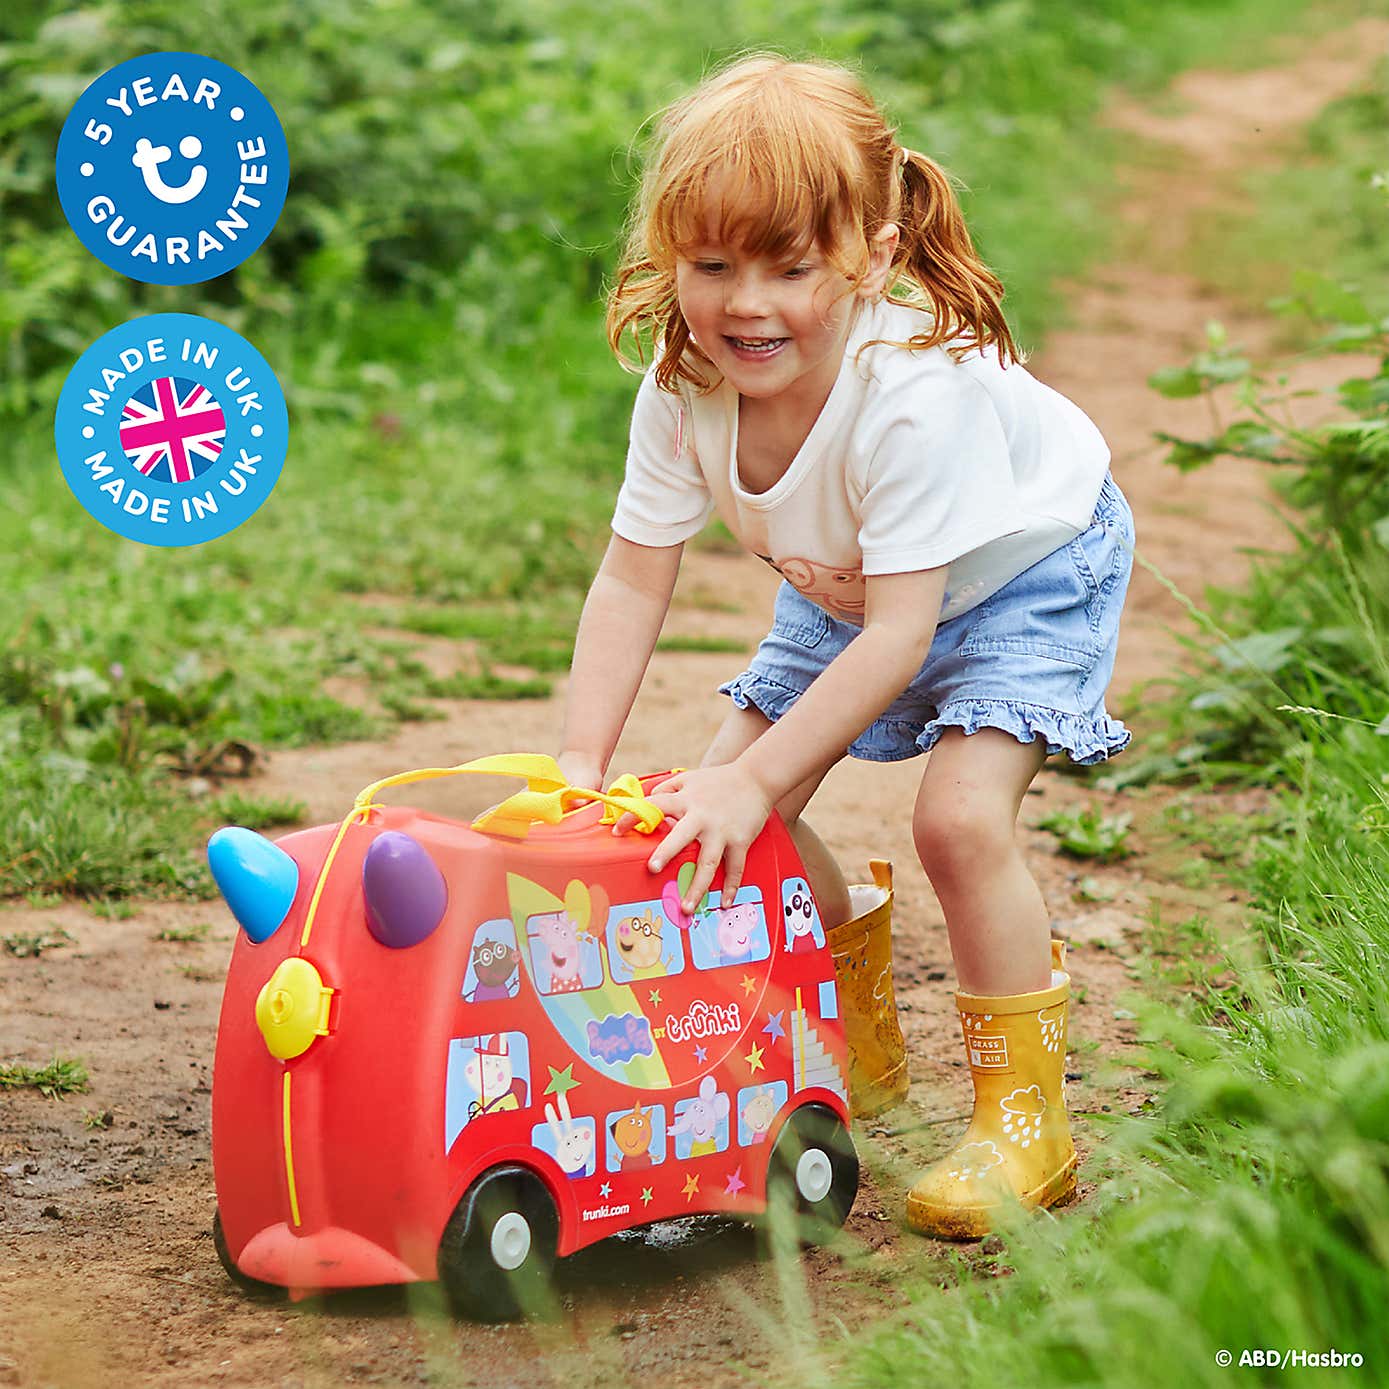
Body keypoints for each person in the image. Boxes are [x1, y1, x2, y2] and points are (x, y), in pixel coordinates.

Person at [555, 52, 1135, 1238]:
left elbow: (903, 636)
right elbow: (630, 577)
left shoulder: (912, 392)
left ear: (870, 255)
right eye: (712, 265)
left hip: (1019, 572)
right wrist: (577, 768)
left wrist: (750, 776)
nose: (745, 306)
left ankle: (1026, 1124)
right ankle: (842, 1029)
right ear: (672, 253)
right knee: (714, 828)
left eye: (789, 267)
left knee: (957, 822)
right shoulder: (680, 384)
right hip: (848, 584)